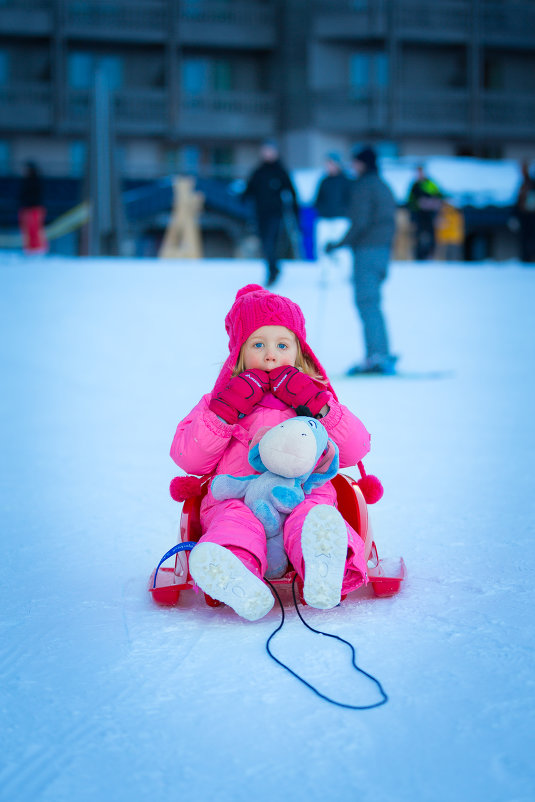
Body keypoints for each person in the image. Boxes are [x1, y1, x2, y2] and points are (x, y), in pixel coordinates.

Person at [170, 284, 372, 621]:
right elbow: (189, 459)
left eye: (282, 345)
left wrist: (319, 405)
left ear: (299, 351)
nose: (270, 355)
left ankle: (322, 567)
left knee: (313, 518)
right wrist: (225, 411)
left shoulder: (314, 398)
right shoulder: (218, 403)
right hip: (237, 498)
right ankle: (236, 575)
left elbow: (355, 449)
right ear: (239, 353)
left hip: (302, 495)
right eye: (258, 344)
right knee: (232, 522)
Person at [325, 146, 397, 375]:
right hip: (382, 252)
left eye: (355, 162)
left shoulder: (365, 186)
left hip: (368, 251)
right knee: (372, 303)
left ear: (363, 163)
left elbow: (360, 223)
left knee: (367, 303)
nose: (352, 166)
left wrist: (337, 244)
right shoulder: (383, 186)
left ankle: (377, 356)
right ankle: (380, 353)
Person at [243, 140, 299, 287]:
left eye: (270, 151)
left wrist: (295, 213)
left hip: (275, 214)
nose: (267, 154)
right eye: (265, 151)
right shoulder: (258, 171)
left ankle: (273, 271)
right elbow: (249, 191)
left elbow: (292, 193)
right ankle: (273, 268)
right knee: (264, 244)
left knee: (270, 243)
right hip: (261, 214)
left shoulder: (280, 171)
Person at [313, 152, 352, 272]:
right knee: (323, 248)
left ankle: (345, 274)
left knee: (342, 249)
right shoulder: (324, 181)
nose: (330, 166)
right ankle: (326, 274)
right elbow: (317, 200)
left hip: (341, 220)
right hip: (324, 219)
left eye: (332, 163)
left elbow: (351, 200)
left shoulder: (347, 181)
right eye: (328, 163)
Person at [407, 165, 443, 260]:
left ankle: (431, 255)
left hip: (429, 215)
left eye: (420, 172)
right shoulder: (414, 185)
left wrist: (430, 203)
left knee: (431, 235)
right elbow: (410, 201)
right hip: (419, 215)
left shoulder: (430, 183)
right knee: (418, 235)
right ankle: (419, 256)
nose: (419, 174)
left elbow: (439, 196)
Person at [18, 161, 48, 255]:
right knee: (27, 230)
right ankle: (29, 248)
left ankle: (38, 248)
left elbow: (34, 195)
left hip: (34, 208)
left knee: (35, 229)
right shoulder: (26, 181)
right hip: (27, 208)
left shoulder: (35, 181)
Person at [515, 161, 535, 263]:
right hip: (524, 217)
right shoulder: (522, 184)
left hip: (532, 217)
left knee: (531, 239)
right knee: (524, 239)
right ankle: (525, 259)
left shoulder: (531, 183)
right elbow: (517, 202)